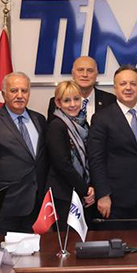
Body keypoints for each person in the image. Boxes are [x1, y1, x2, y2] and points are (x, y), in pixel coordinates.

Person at [88, 65, 137, 230]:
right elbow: (96, 159)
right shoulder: (102, 118)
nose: (128, 88)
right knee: (115, 244)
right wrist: (103, 194)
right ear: (115, 88)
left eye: (133, 83)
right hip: (114, 199)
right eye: (123, 84)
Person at [0, 72, 48, 233]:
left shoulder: (40, 119)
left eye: (24, 91)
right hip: (5, 207)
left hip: (37, 205)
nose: (20, 95)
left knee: (35, 248)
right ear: (3, 94)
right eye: (14, 91)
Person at [46, 81, 96, 230]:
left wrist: (90, 187)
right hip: (64, 195)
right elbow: (62, 164)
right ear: (58, 103)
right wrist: (85, 189)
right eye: (67, 100)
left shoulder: (83, 124)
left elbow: (88, 157)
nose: (73, 104)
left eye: (76, 99)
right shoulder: (56, 126)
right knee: (67, 239)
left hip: (81, 192)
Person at [47, 56, 116, 124]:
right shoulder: (57, 102)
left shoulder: (110, 100)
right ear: (73, 74)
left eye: (90, 71)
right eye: (80, 70)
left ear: (96, 74)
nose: (85, 75)